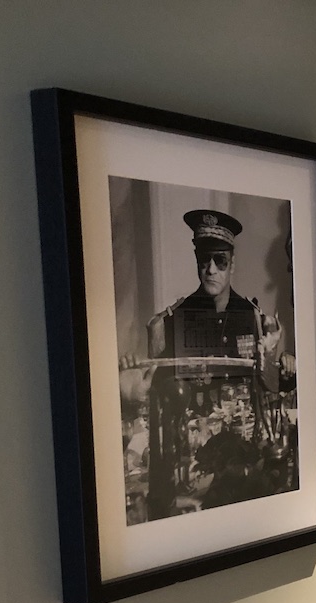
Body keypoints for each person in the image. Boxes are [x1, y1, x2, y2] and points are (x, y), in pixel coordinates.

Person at [124, 208, 296, 521]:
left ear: (233, 264)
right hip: (193, 457)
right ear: (197, 261)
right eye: (204, 260)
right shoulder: (175, 319)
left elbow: (271, 385)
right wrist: (139, 372)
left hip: (245, 450)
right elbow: (158, 386)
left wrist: (283, 364)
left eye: (220, 261)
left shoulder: (253, 317)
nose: (211, 270)